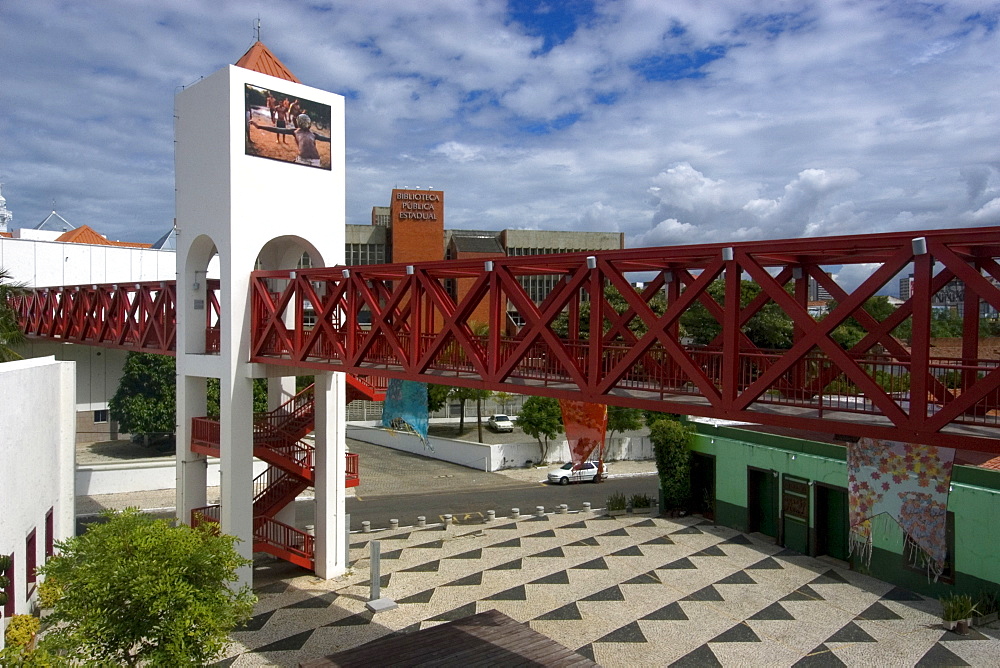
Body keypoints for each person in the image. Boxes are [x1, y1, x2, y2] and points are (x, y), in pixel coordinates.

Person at [251, 113, 330, 166]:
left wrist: (259, 126)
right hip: (313, 161)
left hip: (309, 160)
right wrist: (259, 126)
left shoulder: (308, 133)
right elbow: (277, 129)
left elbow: (277, 129)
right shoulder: (308, 133)